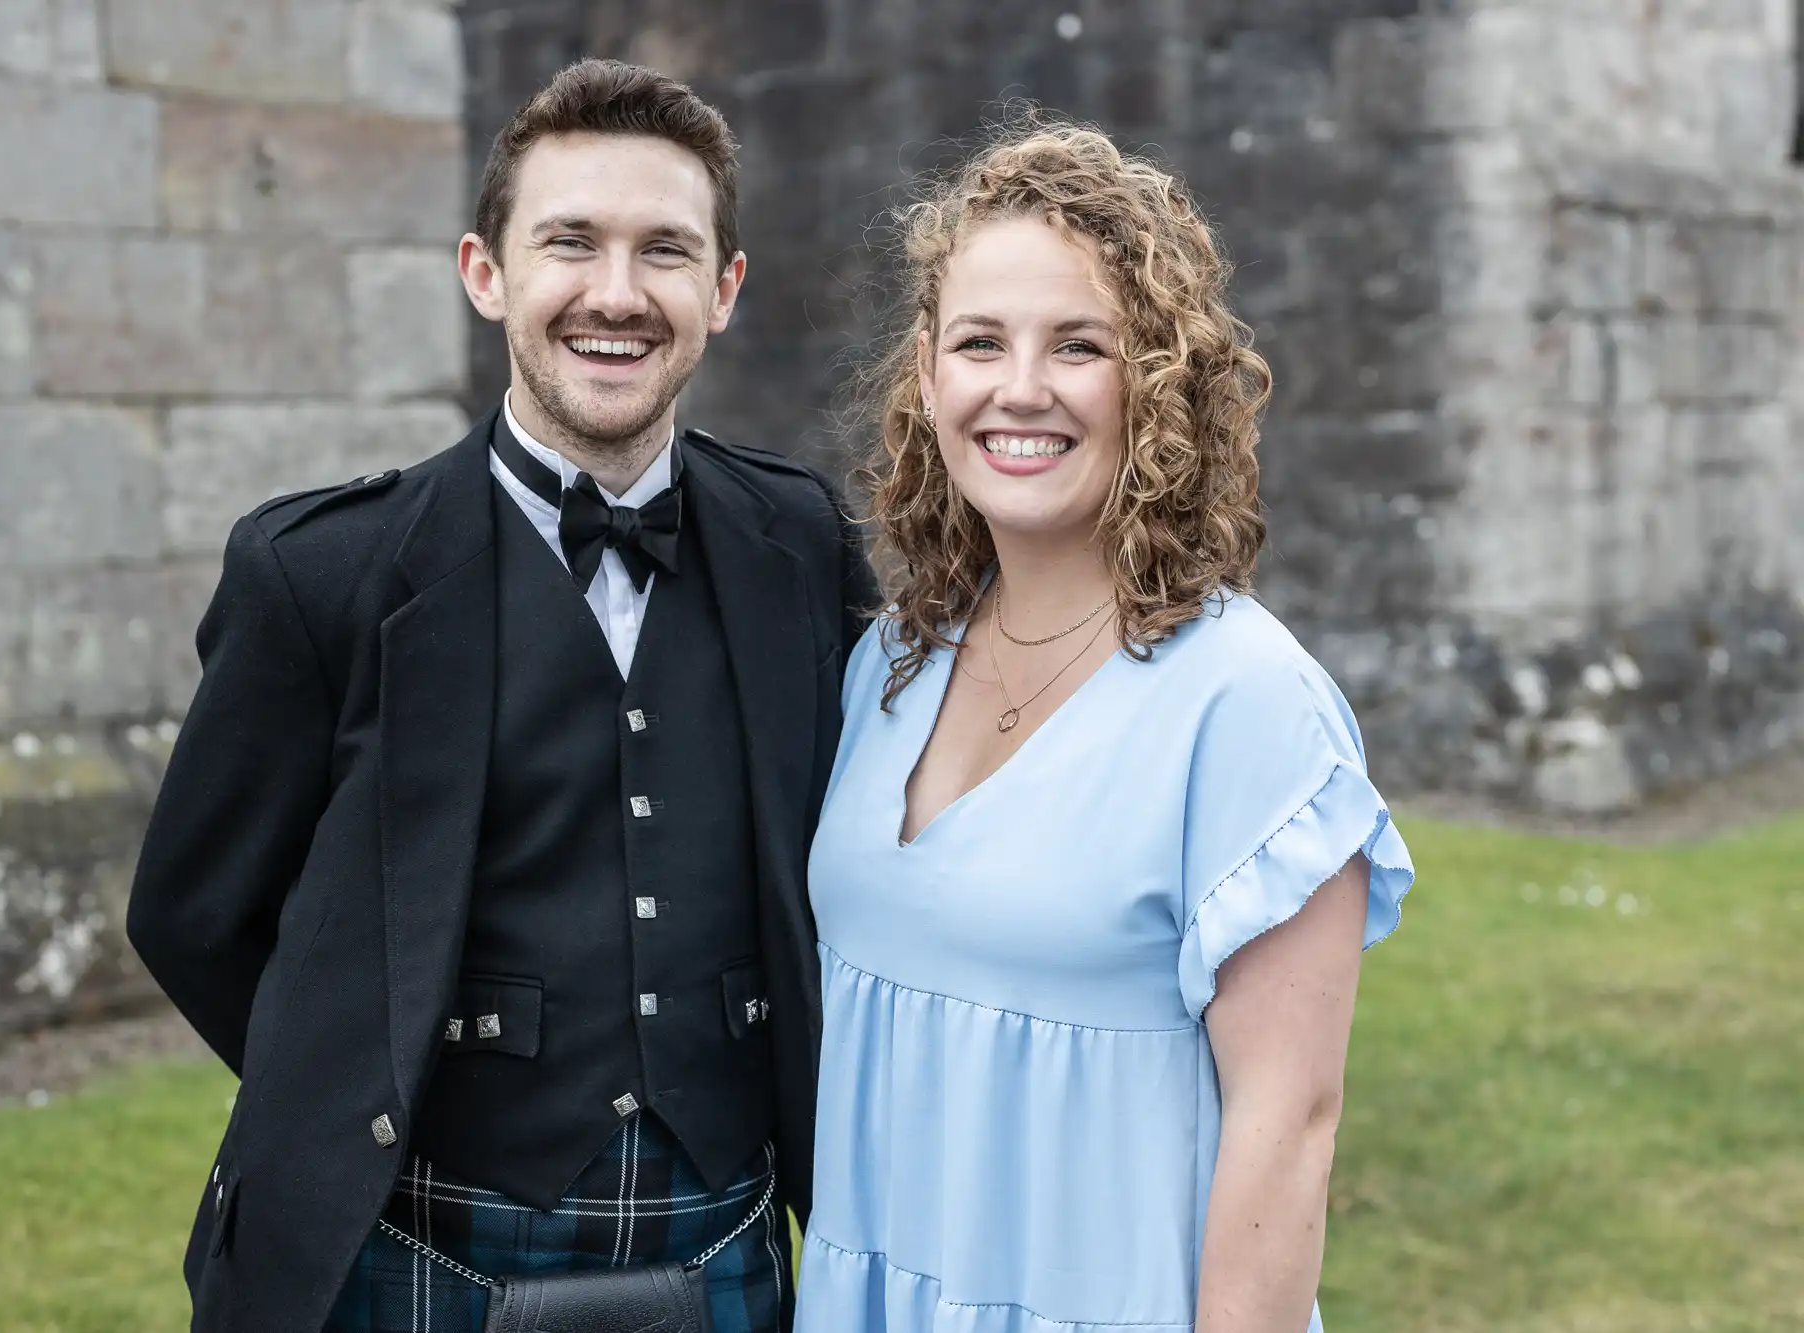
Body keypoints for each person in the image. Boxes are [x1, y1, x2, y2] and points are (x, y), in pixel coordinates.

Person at [127, 59, 874, 1333]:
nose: (616, 295)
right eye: (569, 244)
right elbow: (195, 912)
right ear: (487, 273)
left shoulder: (795, 543)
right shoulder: (322, 573)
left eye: (666, 251)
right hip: (414, 1237)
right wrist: (357, 1078)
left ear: (725, 289)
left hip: (724, 1233)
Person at [797, 121, 1416, 1333]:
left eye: (1076, 345)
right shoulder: (888, 664)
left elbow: (1285, 1129)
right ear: (926, 379)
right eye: (981, 342)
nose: (1018, 388)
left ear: (1153, 378)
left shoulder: (1244, 705)